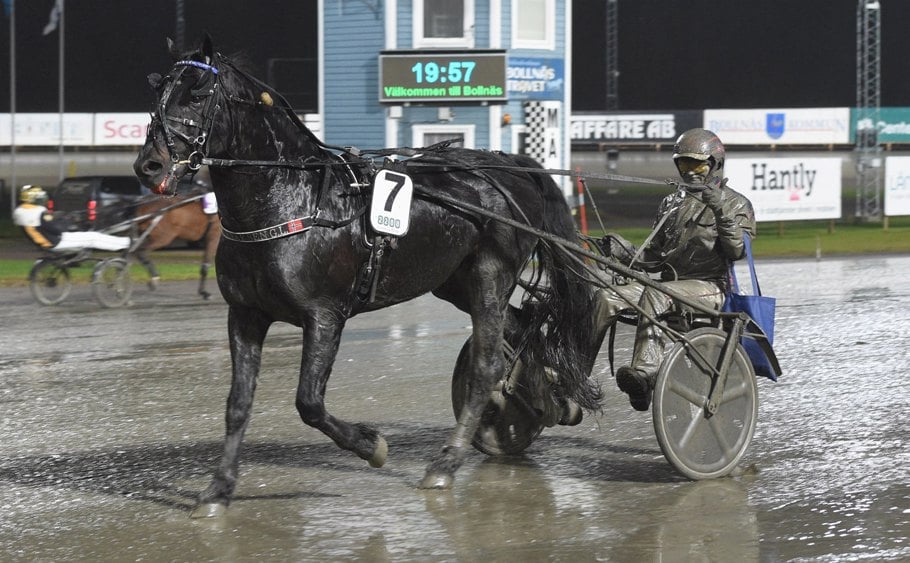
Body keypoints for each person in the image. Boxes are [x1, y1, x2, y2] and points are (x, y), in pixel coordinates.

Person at [594, 128, 756, 411]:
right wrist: (623, 251)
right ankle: (572, 375)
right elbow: (653, 258)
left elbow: (737, 251)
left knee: (658, 293)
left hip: (710, 288)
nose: (690, 172)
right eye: (684, 164)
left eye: (698, 165)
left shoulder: (737, 203)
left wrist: (719, 209)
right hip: (667, 286)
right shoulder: (671, 203)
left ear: (715, 164)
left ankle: (645, 375)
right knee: (606, 297)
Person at [13, 185, 131, 253]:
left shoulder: (20, 211)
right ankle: (126, 243)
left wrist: (57, 218)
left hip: (44, 242)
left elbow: (43, 225)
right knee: (93, 237)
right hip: (55, 241)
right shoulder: (39, 213)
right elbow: (57, 229)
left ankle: (123, 243)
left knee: (89, 236)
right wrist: (68, 222)